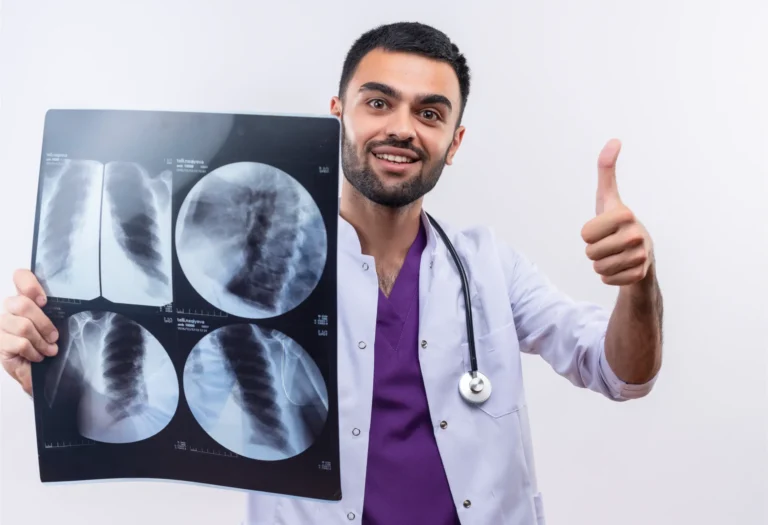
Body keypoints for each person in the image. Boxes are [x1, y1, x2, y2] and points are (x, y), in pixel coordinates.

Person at [0, 21, 663, 525]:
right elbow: (157, 398)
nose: (403, 128)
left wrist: (639, 283)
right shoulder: (243, 268)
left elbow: (621, 373)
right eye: (380, 102)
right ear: (338, 113)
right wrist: (54, 368)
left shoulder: (489, 265)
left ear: (454, 142)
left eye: (431, 113)